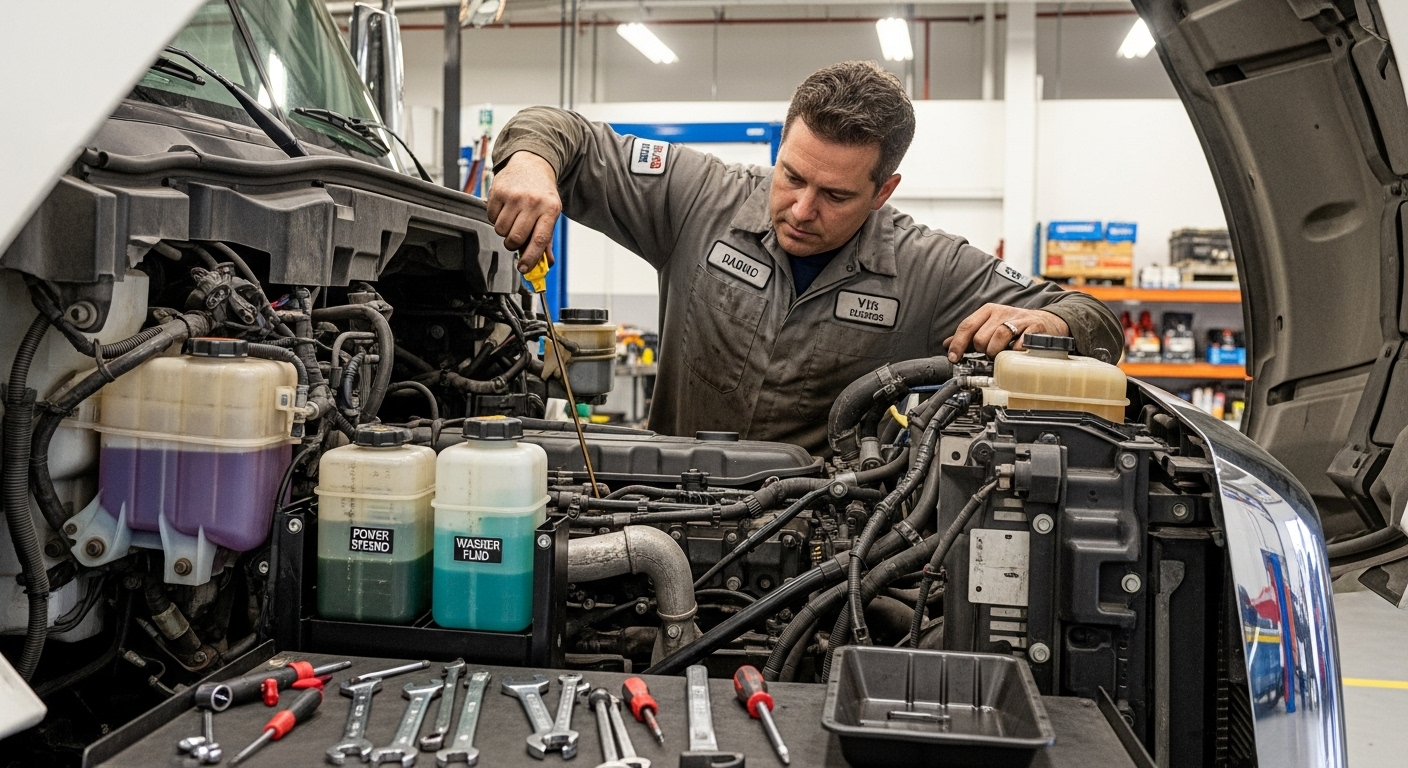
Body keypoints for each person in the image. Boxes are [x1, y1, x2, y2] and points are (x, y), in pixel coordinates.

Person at [488, 61, 1122, 454]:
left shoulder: (928, 268)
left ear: (884, 191)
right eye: (791, 176)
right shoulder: (699, 197)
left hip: (824, 553)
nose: (799, 208)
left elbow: (1094, 318)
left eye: (836, 195)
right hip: (668, 513)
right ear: (782, 142)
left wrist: (1048, 325)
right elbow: (558, 129)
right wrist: (531, 161)